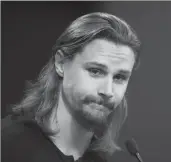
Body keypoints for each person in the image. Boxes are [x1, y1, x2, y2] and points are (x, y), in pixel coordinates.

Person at [1, 12, 141, 162]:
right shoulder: (7, 144)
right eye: (95, 71)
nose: (108, 91)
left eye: (119, 77)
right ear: (61, 63)